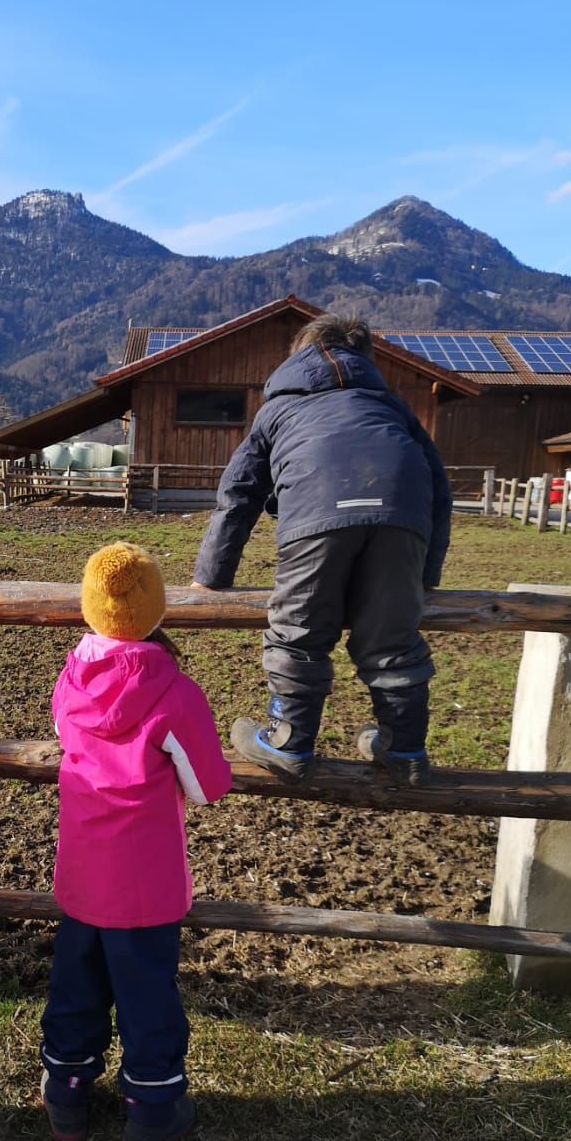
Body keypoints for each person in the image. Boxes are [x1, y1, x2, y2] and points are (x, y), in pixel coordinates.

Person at [192, 314, 453, 789]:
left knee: (299, 633)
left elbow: (239, 493)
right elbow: (439, 489)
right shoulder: (391, 406)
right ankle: (405, 750)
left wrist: (211, 575)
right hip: (402, 518)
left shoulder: (279, 408)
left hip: (315, 516)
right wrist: (425, 576)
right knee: (392, 641)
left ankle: (288, 743)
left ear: (300, 355)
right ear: (364, 359)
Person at [42, 543, 231, 1141]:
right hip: (146, 884)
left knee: (75, 986)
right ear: (155, 608)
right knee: (147, 994)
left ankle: (67, 1094)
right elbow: (208, 787)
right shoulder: (175, 693)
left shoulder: (70, 681)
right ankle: (152, 1111)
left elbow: (67, 735)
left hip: (81, 874)